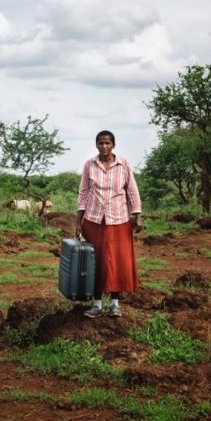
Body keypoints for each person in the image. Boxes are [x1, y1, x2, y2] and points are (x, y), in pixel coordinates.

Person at [75, 130, 143, 318]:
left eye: (107, 143)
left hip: (119, 220)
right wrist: (78, 221)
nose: (104, 146)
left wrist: (137, 214)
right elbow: (83, 193)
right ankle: (96, 304)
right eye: (100, 143)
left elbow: (132, 191)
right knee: (95, 262)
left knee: (117, 262)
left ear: (113, 145)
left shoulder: (124, 165)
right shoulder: (90, 165)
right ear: (96, 145)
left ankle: (115, 304)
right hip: (94, 220)